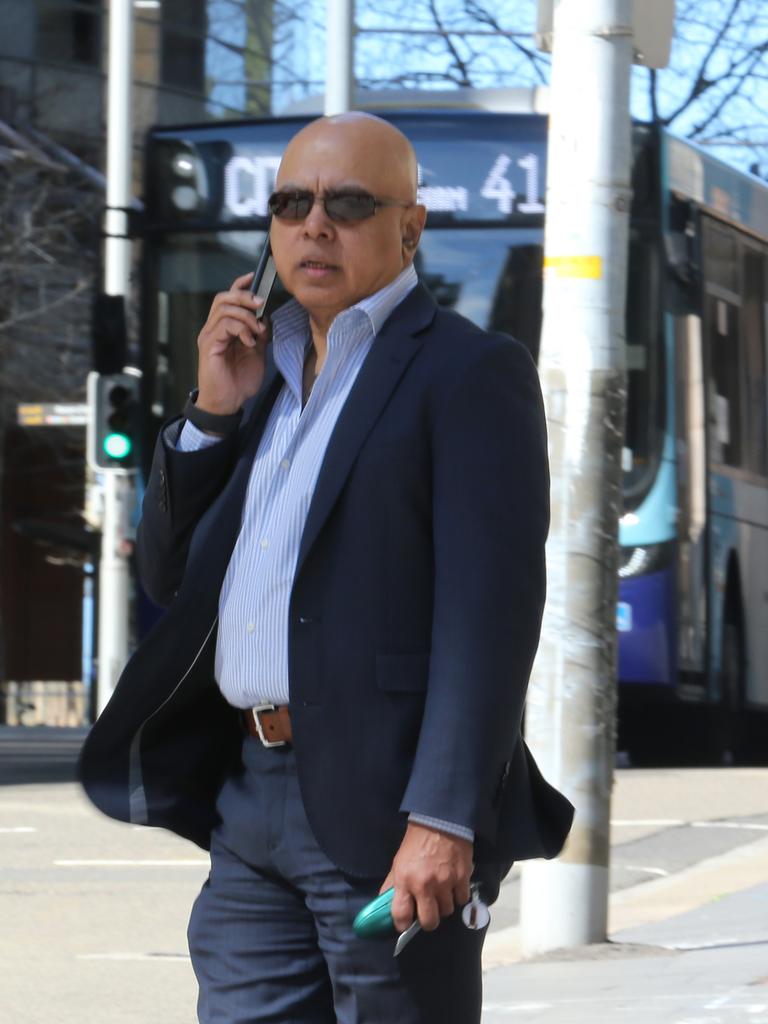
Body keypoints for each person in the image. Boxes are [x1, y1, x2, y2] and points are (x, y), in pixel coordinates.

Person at [79, 112, 573, 1024]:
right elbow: (168, 578)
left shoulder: (468, 374)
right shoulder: (257, 374)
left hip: (390, 809)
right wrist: (212, 415)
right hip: (251, 801)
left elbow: (489, 619)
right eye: (291, 203)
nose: (315, 225)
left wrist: (444, 817)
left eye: (348, 203)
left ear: (411, 228)